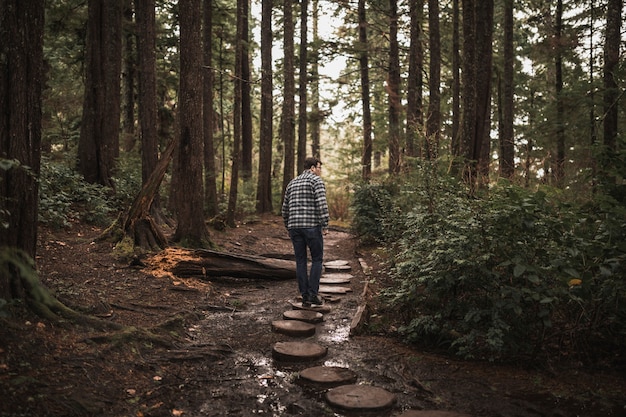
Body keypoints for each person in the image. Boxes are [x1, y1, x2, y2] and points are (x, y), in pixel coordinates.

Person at [282, 157, 330, 307]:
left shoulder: (292, 183)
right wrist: (325, 224)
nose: (320, 171)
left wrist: (288, 225)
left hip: (294, 227)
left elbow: (285, 208)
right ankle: (313, 294)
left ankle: (304, 296)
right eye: (319, 168)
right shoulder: (316, 181)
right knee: (317, 259)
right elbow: (321, 204)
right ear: (312, 168)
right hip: (311, 227)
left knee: (301, 261)